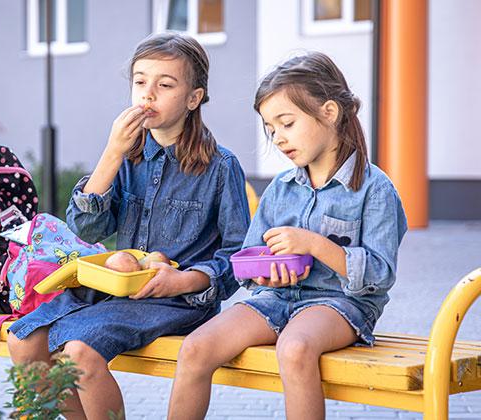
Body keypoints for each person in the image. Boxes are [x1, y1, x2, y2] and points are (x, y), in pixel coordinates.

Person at [6, 32, 250, 419]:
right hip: (115, 290)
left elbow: (239, 255)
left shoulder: (221, 167)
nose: (147, 94)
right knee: (22, 342)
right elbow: (86, 230)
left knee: (78, 352)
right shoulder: (127, 157)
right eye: (140, 82)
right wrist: (112, 152)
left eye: (165, 84)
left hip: (179, 300)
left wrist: (187, 280)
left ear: (194, 98)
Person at [167, 51, 408, 420]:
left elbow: (379, 275)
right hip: (276, 299)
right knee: (197, 347)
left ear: (329, 112)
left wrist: (313, 245)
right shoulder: (280, 188)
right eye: (271, 128)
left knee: (294, 348)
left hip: (340, 305)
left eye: (287, 123)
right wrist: (263, 272)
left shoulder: (374, 189)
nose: (278, 138)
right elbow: (249, 258)